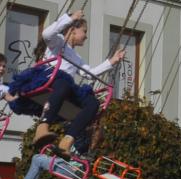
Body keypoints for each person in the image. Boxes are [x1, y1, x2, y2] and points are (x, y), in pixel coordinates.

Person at [9, 9, 125, 159]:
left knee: (93, 103)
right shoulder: (58, 42)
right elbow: (47, 34)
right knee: (63, 83)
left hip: (64, 88)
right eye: (84, 31)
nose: (86, 36)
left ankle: (67, 141)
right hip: (49, 80)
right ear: (73, 30)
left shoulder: (76, 57)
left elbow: (89, 74)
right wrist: (70, 18)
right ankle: (43, 126)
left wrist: (112, 61)